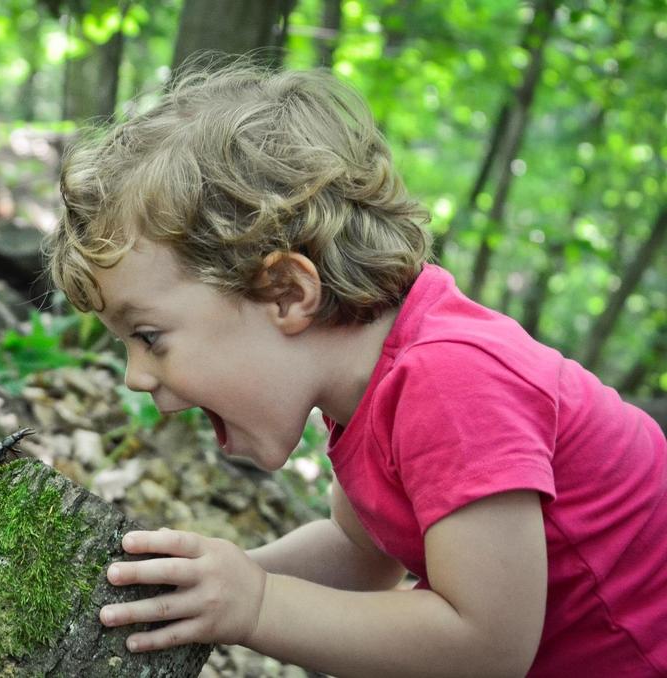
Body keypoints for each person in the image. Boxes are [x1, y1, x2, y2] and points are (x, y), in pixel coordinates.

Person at [43, 59, 667, 677]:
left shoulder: (451, 380)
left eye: (148, 336)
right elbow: (359, 553)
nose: (136, 375)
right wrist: (217, 583)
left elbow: (487, 646)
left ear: (286, 292)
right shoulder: (376, 386)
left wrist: (256, 605)